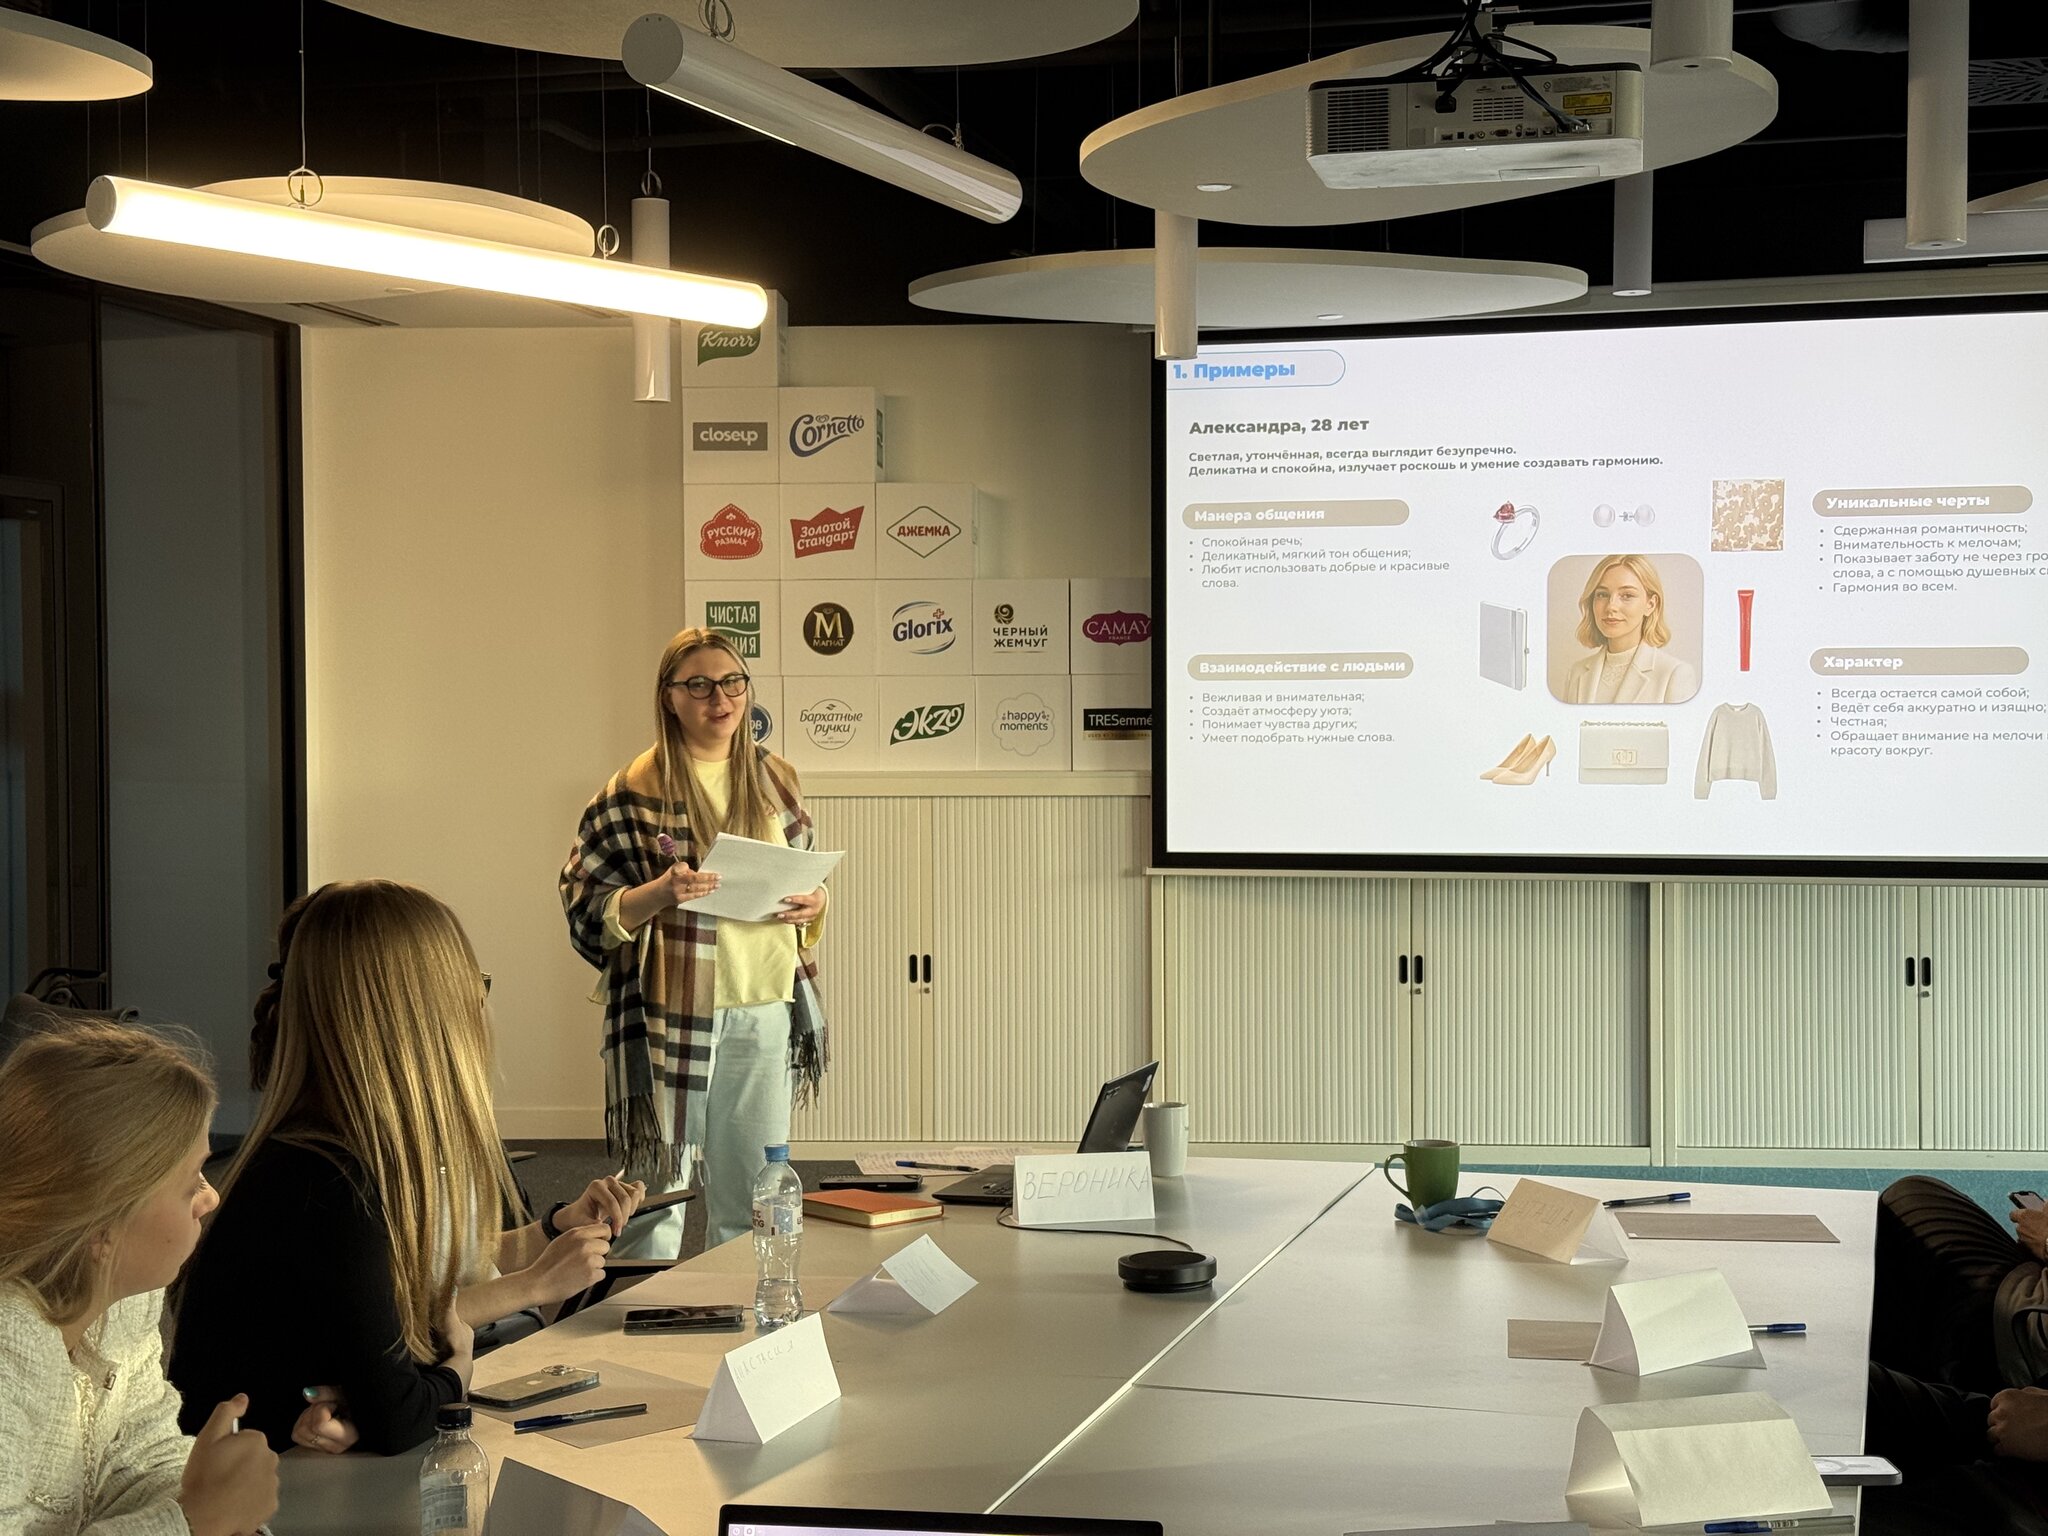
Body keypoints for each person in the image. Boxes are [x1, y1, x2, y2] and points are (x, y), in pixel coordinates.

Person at [172, 880, 642, 1455]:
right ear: (424, 1011)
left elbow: (417, 1287)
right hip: (254, 1479)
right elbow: (399, 1414)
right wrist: (461, 1364)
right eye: (473, 984)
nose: (481, 1004)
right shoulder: (329, 1178)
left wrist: (554, 1229)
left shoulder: (348, 1153)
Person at [561, 625, 831, 1254]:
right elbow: (583, 905)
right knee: (656, 1190)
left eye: (733, 682)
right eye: (701, 685)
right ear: (670, 696)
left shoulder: (777, 778)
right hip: (670, 1011)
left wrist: (817, 902)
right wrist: (659, 893)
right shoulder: (631, 792)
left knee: (756, 1187)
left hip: (765, 1002)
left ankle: (748, 1297)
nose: (721, 698)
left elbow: (806, 877)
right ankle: (640, 1300)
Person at [0, 1020, 279, 1536]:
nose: (210, 1197)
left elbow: (141, 1457)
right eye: (191, 1183)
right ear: (103, 1223)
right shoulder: (7, 1345)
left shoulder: (123, 1299)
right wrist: (197, 1520)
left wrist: (227, 1511)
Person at [1559, 553, 1698, 705]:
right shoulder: (1576, 673)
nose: (1611, 606)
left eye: (1627, 595)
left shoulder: (1674, 674)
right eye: (1602, 594)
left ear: (1650, 604)